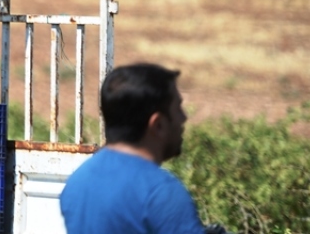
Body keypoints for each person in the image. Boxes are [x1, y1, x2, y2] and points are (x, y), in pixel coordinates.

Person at [60, 63, 213, 234]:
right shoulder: (161, 192)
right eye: (178, 109)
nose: (184, 118)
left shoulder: (78, 182)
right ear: (158, 125)